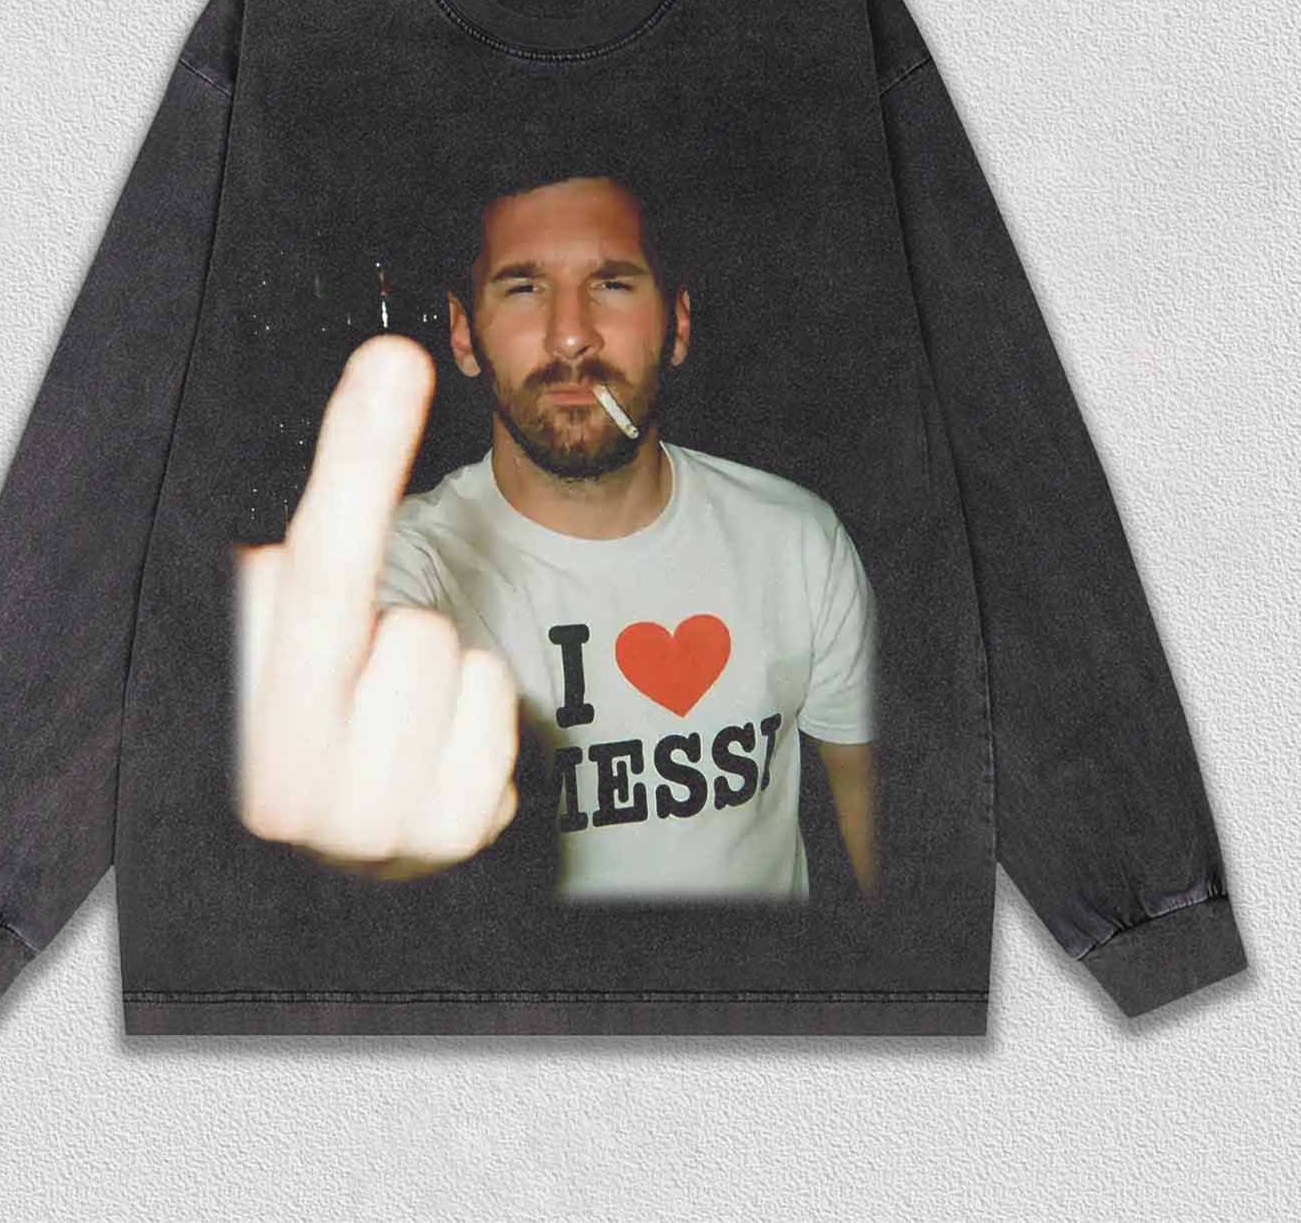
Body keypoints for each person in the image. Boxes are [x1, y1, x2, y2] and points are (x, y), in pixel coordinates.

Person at [233, 173, 879, 902]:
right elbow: (343, 695)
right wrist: (350, 827)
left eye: (612, 284)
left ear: (678, 326)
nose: (571, 334)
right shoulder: (404, 566)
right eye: (523, 288)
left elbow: (865, 801)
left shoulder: (798, 542)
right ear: (463, 335)